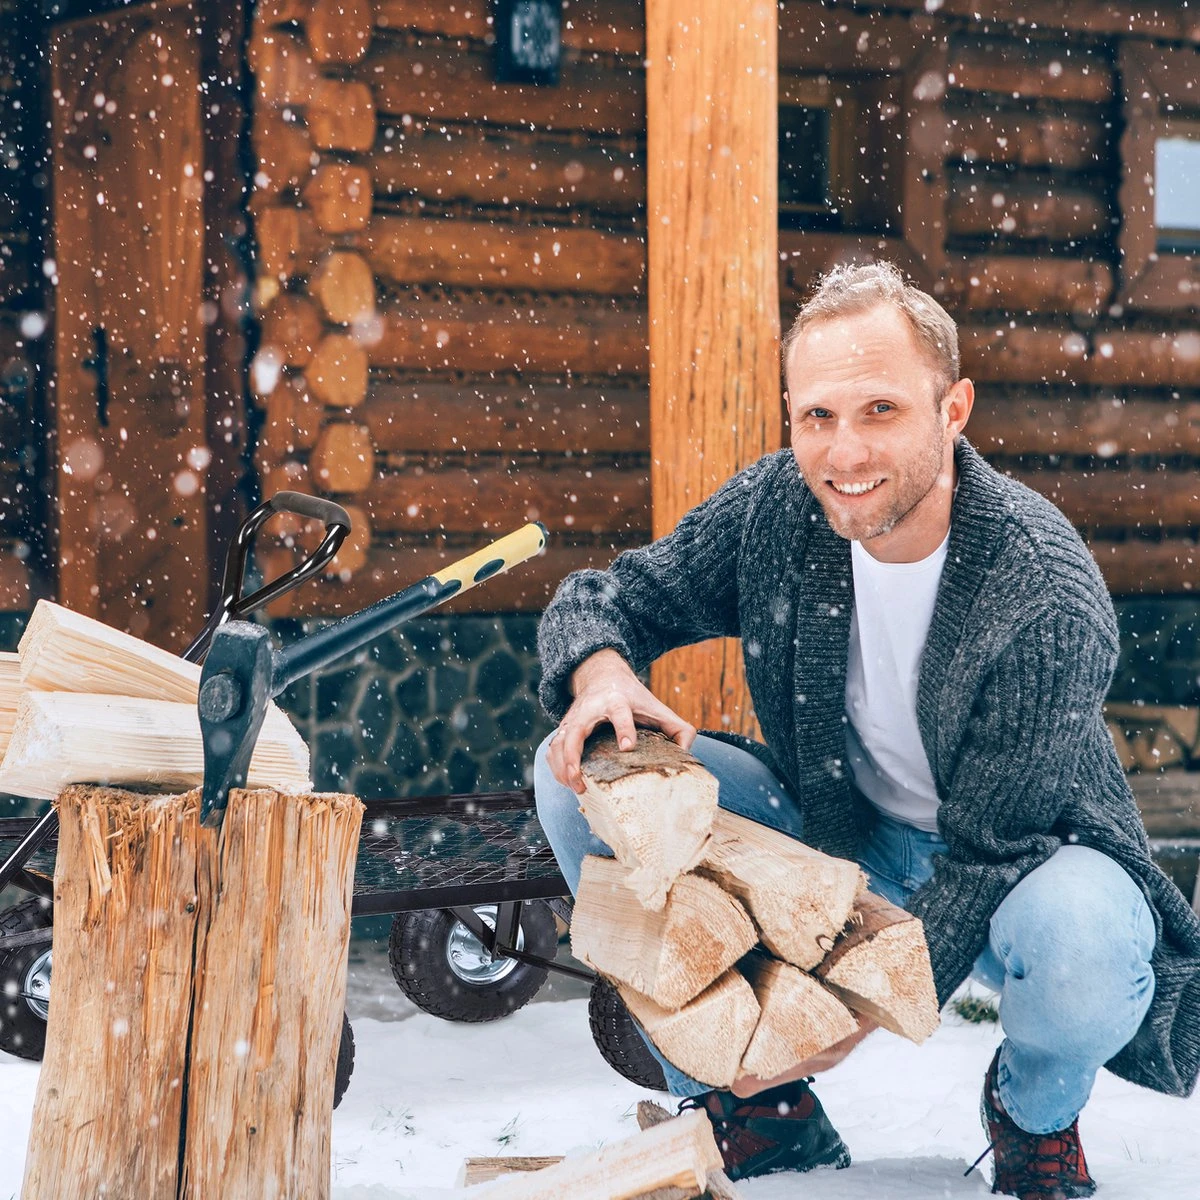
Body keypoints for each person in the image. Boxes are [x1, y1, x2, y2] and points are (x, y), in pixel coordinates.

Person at [531, 260, 1200, 1198]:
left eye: (880, 410)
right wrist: (600, 673)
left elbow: (988, 856)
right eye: (818, 417)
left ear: (954, 409)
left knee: (1086, 948)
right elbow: (614, 595)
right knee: (583, 774)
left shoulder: (1041, 586)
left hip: (1024, 869)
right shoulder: (778, 509)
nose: (843, 452)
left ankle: (1031, 1114)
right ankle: (761, 1114)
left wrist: (829, 1015)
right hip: (837, 839)